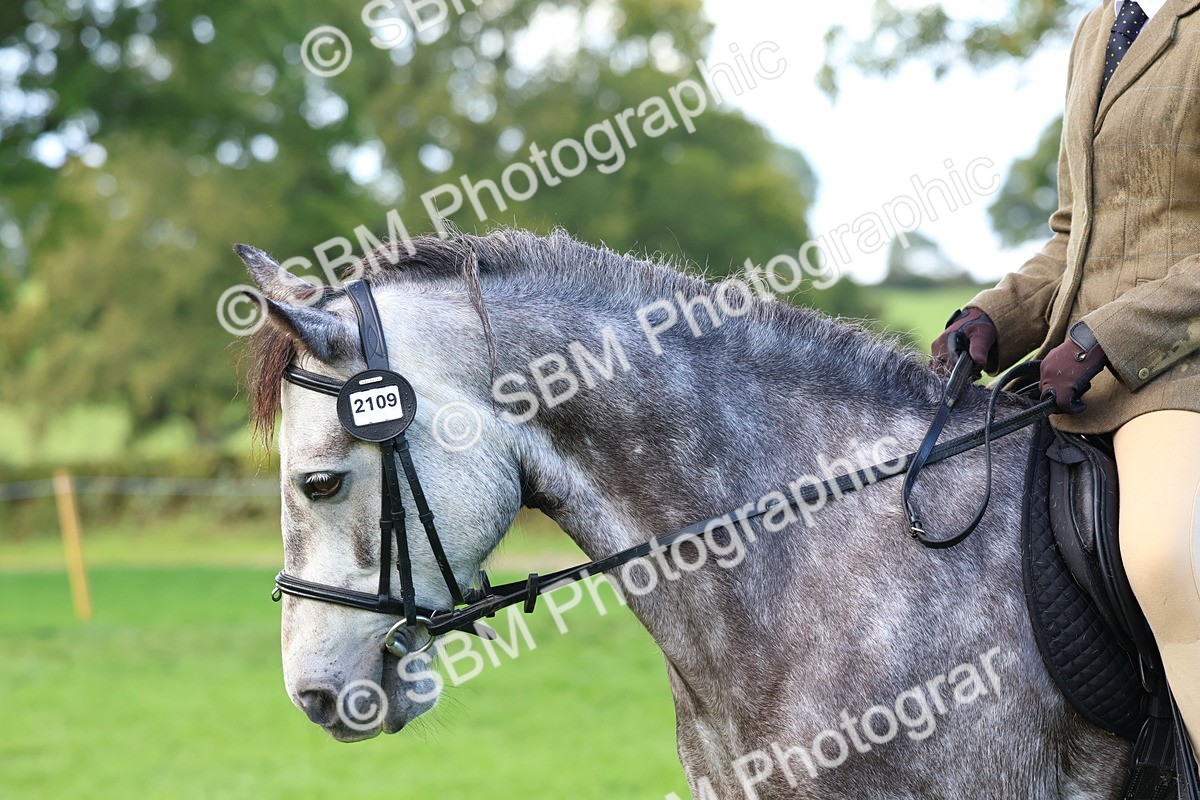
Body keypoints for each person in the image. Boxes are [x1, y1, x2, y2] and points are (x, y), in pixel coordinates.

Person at [931, 0, 1200, 762]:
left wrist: (1106, 338)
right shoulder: (1098, 28)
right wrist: (992, 318)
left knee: (1157, 553)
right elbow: (1073, 234)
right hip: (1078, 375)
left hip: (1183, 364)